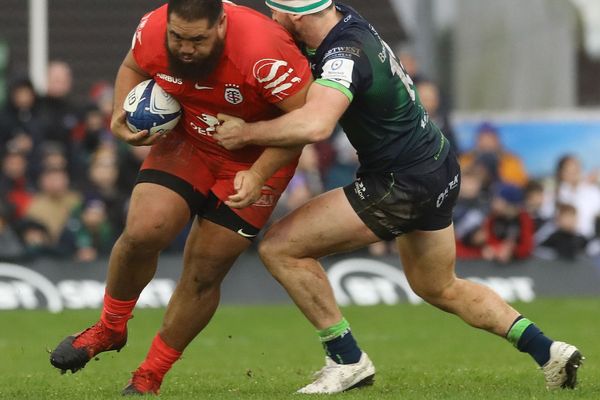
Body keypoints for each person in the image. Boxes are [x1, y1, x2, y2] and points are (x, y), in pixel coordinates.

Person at [214, 0, 583, 393]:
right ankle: (548, 350)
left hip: (399, 183)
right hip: (437, 166)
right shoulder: (342, 17)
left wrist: (246, 134)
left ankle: (347, 359)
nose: (272, 20)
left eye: (277, 12)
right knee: (439, 286)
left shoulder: (344, 54)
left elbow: (317, 124)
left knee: (280, 248)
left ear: (299, 16)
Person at [49, 0, 312, 395]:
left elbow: (305, 122)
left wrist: (258, 174)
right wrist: (119, 114)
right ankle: (109, 327)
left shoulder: (266, 51)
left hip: (260, 157)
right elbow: (132, 66)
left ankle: (150, 375)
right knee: (142, 230)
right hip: (189, 142)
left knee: (205, 270)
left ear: (221, 25)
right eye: (177, 37)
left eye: (197, 40)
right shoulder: (154, 28)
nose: (185, 48)